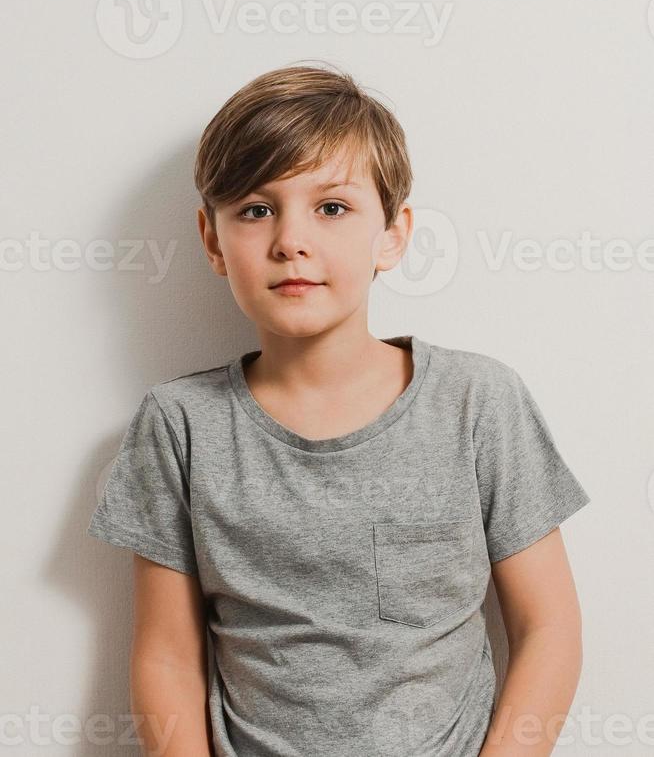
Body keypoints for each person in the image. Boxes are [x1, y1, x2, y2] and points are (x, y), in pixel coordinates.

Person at [87, 62, 591, 757]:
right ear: (212, 240)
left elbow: (549, 627)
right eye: (257, 209)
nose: (292, 240)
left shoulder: (478, 403)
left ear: (392, 233)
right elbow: (166, 656)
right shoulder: (180, 427)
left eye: (331, 208)